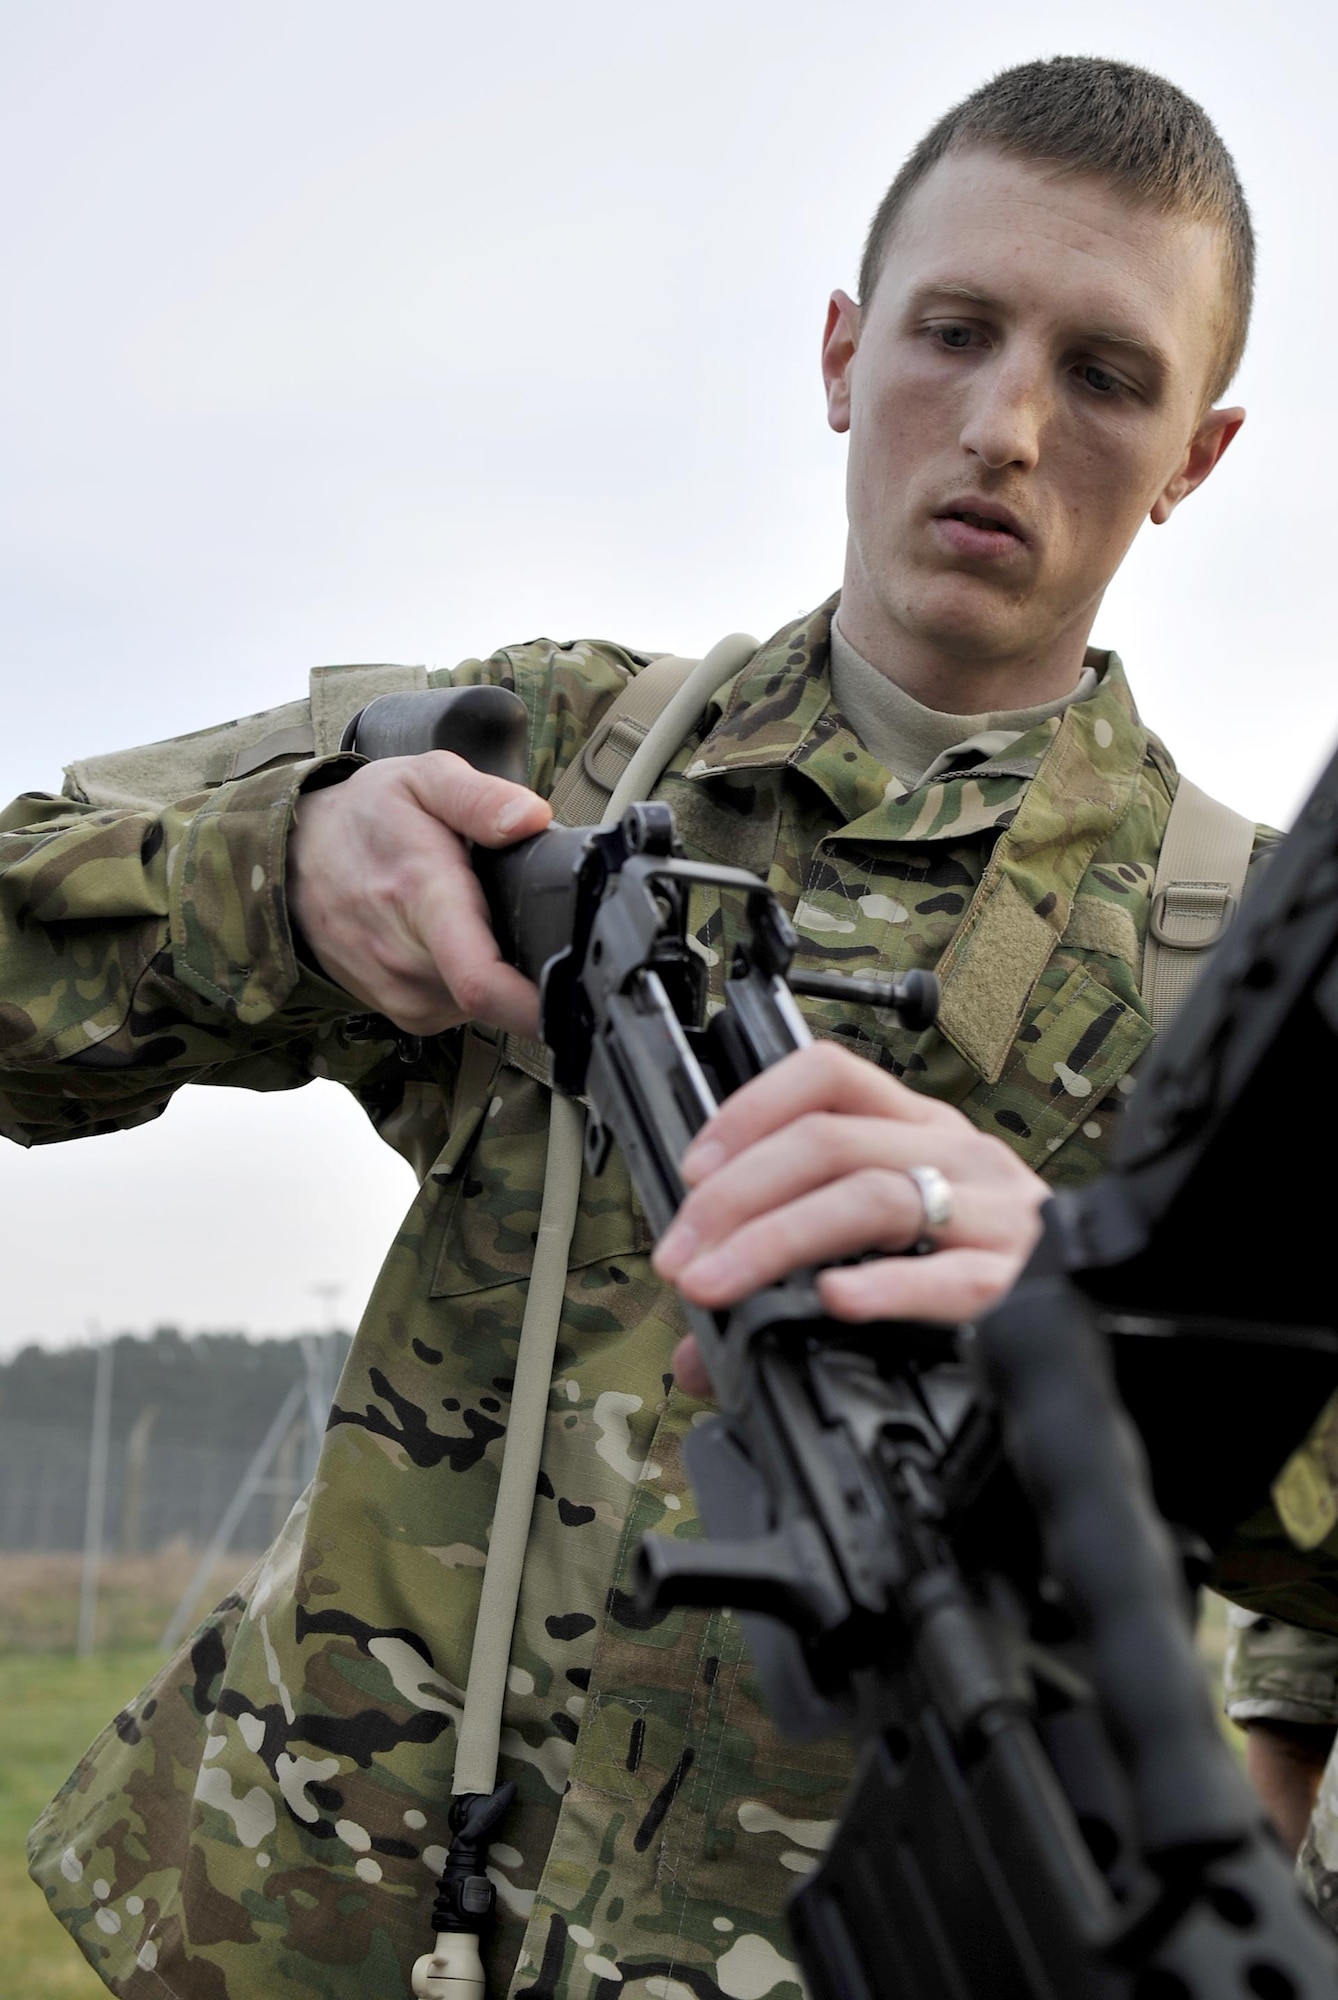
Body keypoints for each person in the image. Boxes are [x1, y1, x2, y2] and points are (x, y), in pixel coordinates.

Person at [11, 52, 1297, 2000]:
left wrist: (1101, 1303)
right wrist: (277, 874)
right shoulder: (549, 758)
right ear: (845, 354)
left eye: (1108, 375)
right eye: (956, 332)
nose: (1010, 427)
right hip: (320, 1936)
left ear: (1197, 451)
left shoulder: (1255, 965)